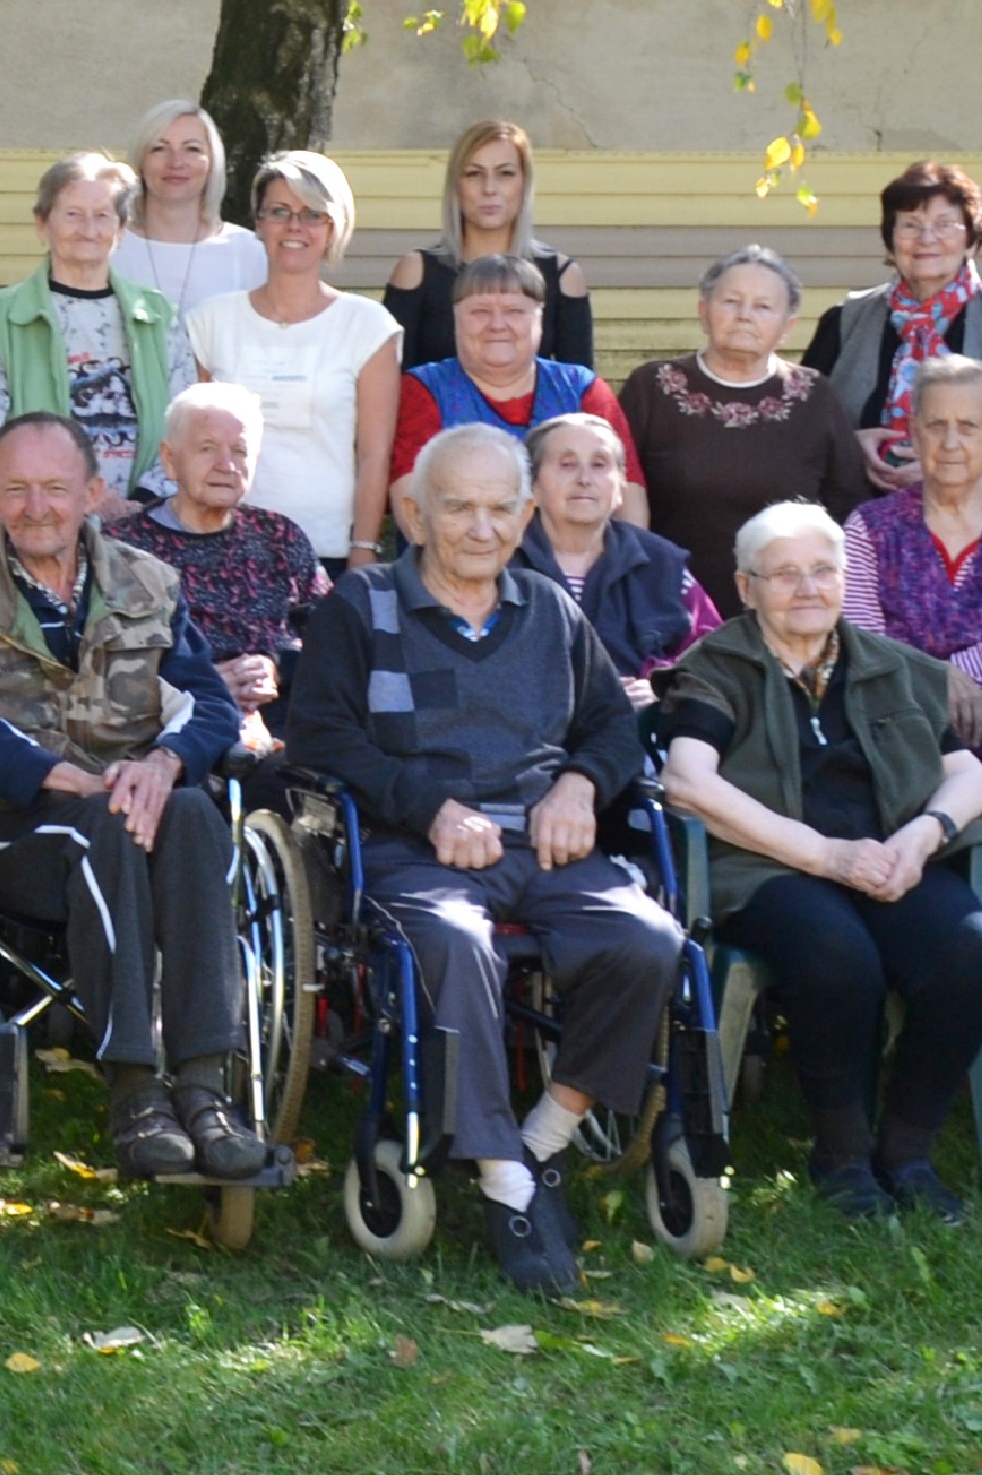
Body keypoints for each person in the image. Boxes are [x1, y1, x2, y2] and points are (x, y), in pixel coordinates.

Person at [276, 426, 683, 1295]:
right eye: (457, 506)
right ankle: (505, 1183)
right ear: (415, 515)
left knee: (647, 940)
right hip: (409, 848)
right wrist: (427, 807)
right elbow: (318, 736)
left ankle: (545, 1137)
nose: (480, 527)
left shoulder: (549, 609)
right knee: (457, 944)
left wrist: (578, 786)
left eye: (500, 508)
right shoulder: (363, 605)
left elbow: (613, 728)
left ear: (526, 516)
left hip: (544, 843)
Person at [0, 412, 269, 1195]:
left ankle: (204, 1087)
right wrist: (52, 775)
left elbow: (209, 703)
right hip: (11, 832)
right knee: (104, 827)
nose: (36, 507)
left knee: (194, 813)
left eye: (54, 488)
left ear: (92, 494)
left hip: (130, 808)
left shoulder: (148, 582)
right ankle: (136, 1091)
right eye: (16, 489)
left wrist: (164, 763)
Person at [656, 498, 982, 1220]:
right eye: (784, 574)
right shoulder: (717, 667)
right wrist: (824, 856)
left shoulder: (890, 665)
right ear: (746, 588)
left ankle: (906, 1152)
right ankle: (842, 1156)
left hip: (891, 856)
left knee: (970, 952)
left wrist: (923, 836)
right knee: (836, 953)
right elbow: (687, 782)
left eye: (822, 570)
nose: (807, 588)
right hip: (767, 866)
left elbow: (969, 773)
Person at [840, 351, 982, 1102]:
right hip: (892, 731)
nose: (948, 442)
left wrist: (954, 673)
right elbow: (859, 636)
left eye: (967, 427)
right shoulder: (868, 527)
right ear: (910, 431)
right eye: (934, 424)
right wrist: (939, 680)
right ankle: (900, 1013)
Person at [184, 150, 402, 568]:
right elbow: (189, 444)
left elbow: (374, 455)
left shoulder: (368, 326)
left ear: (334, 227)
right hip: (222, 546)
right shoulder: (210, 321)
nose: (294, 226)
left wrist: (364, 548)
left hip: (327, 549)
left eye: (312, 214)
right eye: (279, 211)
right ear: (259, 222)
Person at [804, 158, 982, 503]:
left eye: (944, 225)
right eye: (910, 225)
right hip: (853, 521)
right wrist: (851, 448)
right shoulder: (844, 322)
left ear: (970, 239)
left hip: (968, 525)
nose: (927, 239)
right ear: (890, 240)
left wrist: (944, 472)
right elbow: (802, 433)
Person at [618, 247, 872, 579]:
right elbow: (615, 490)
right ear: (704, 312)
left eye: (763, 306)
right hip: (671, 593)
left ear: (787, 326)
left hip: (785, 595)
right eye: (731, 302)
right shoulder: (652, 387)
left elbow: (848, 507)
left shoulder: (816, 396)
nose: (744, 316)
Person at [110, 385, 331, 752]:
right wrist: (196, 683)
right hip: (167, 734)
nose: (226, 465)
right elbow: (103, 663)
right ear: (170, 459)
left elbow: (332, 636)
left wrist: (277, 665)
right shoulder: (122, 549)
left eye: (239, 451)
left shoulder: (280, 536)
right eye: (207, 448)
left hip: (283, 730)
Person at [0, 151, 187, 496]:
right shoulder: (3, 320)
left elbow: (184, 428)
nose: (88, 230)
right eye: (72, 215)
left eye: (102, 216)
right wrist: (70, 501)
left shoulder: (158, 317)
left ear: (121, 229)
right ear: (42, 224)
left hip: (144, 515)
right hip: (37, 516)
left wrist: (142, 504)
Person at [386, 259, 639, 492]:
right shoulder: (425, 388)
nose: (497, 325)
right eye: (480, 311)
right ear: (456, 320)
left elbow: (627, 489)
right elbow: (411, 499)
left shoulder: (580, 388)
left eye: (514, 311)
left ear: (540, 320)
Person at [517, 411, 714, 705]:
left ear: (621, 484)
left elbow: (714, 658)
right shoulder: (498, 560)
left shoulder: (664, 565)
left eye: (599, 465)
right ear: (533, 484)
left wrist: (663, 688)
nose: (585, 479)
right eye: (567, 464)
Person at [380, 116, 595, 373]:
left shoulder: (563, 277)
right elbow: (390, 383)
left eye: (505, 174)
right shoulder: (416, 272)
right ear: (456, 185)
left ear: (524, 183)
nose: (489, 188)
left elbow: (579, 387)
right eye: (474, 174)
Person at [121, 99, 264, 322]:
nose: (176, 162)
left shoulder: (248, 253)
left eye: (192, 149)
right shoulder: (110, 248)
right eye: (159, 149)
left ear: (212, 163)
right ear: (140, 162)